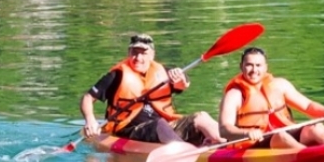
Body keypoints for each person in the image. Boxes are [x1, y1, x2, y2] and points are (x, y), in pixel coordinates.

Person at [80, 34, 224, 146]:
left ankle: (224, 142)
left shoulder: (163, 72)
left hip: (165, 128)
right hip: (129, 130)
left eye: (143, 53)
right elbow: (87, 98)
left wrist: (179, 79)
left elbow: (183, 84)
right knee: (159, 124)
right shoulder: (116, 76)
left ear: (152, 54)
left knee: (201, 117)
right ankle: (181, 150)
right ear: (128, 52)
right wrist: (90, 120)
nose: (138, 58)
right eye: (134, 52)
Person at [219, 47, 324, 150]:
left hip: (285, 135)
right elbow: (224, 129)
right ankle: (309, 156)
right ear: (241, 66)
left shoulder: (280, 85)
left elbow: (307, 106)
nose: (254, 70)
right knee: (280, 136)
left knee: (315, 127)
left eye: (258, 65)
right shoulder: (234, 94)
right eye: (249, 65)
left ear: (266, 67)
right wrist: (246, 133)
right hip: (254, 144)